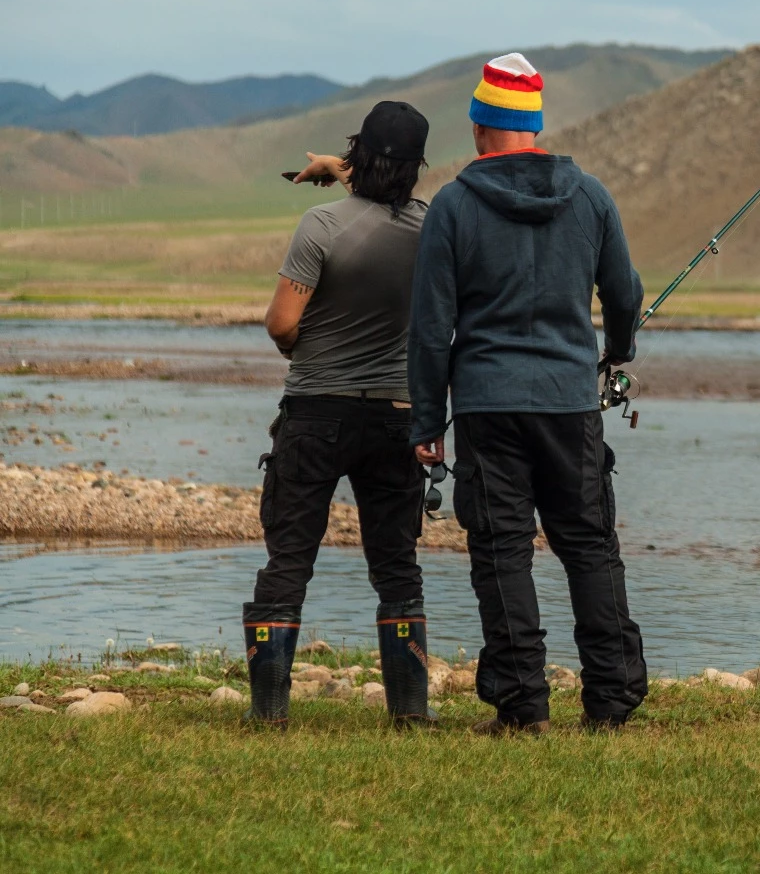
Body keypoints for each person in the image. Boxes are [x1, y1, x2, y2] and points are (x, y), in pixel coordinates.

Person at [409, 52, 646, 735]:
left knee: (501, 550)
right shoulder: (592, 196)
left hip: (486, 407)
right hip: (570, 405)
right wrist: (618, 350)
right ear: (534, 126)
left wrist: (427, 421)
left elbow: (430, 327)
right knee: (589, 547)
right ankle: (610, 701)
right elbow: (623, 293)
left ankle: (522, 707)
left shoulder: (453, 205)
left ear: (480, 123)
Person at [242, 100, 438, 729]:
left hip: (314, 414)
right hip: (396, 416)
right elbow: (387, 204)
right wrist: (347, 168)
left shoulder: (319, 226)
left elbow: (281, 323)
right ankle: (409, 715)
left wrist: (302, 348)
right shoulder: (431, 228)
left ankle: (269, 715)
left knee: (289, 558)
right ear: (417, 167)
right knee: (396, 564)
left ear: (357, 154)